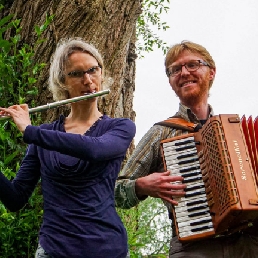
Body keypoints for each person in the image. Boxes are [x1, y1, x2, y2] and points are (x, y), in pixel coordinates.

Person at [115, 40, 258, 257]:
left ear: (211, 73)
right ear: (171, 82)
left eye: (192, 65)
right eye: (175, 69)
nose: (183, 72)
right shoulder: (161, 132)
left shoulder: (237, 133)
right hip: (194, 248)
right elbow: (115, 190)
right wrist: (141, 185)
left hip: (249, 243)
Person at [0, 37, 135, 258]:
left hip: (108, 249)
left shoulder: (120, 127)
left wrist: (30, 131)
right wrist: (35, 134)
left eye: (93, 70)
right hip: (54, 250)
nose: (88, 80)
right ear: (63, 82)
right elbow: (15, 198)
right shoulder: (44, 137)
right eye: (77, 73)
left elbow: (95, 150)